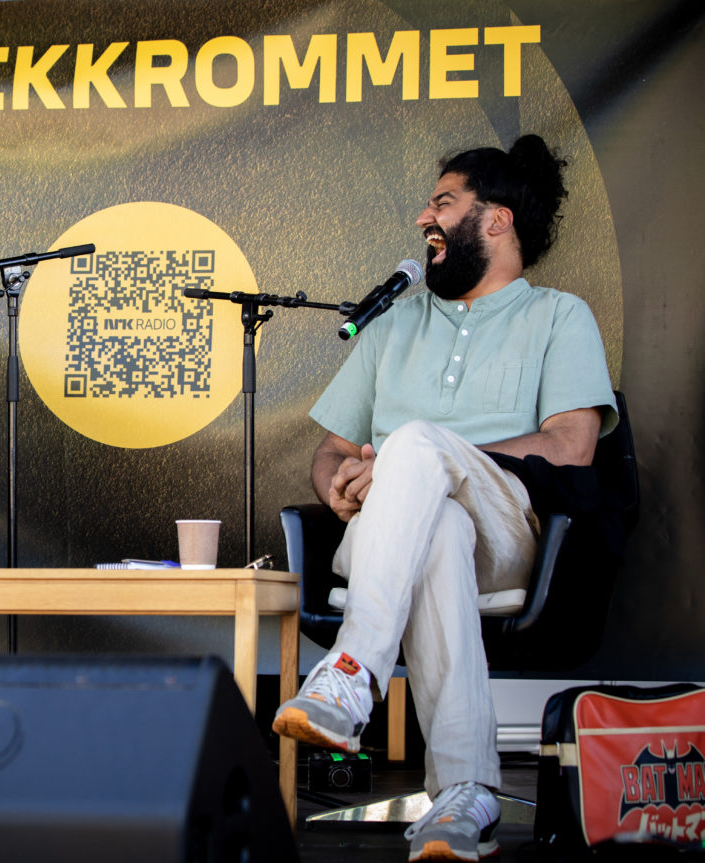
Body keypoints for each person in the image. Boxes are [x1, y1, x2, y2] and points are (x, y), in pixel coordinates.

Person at [272, 136, 617, 862]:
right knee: (437, 524)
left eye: (443, 202)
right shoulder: (391, 323)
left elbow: (572, 446)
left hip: (512, 532)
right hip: (396, 534)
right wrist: (336, 481)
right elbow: (332, 450)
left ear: (496, 220)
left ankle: (351, 671)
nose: (425, 216)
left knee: (422, 454)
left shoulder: (559, 315)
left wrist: (426, 456)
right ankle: (465, 792)